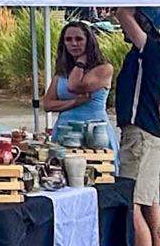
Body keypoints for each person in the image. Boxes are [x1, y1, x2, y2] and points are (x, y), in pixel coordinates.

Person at [116, 6, 160, 246]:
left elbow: (122, 13)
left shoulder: (147, 49)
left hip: (139, 135)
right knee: (151, 203)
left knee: (132, 203)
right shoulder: (156, 51)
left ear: (143, 23)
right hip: (152, 136)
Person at [41, 19, 118, 152]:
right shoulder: (62, 72)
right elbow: (47, 104)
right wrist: (75, 102)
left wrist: (81, 62)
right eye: (68, 40)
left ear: (89, 42)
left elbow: (74, 86)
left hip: (94, 134)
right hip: (65, 132)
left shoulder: (104, 68)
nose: (74, 44)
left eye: (79, 39)